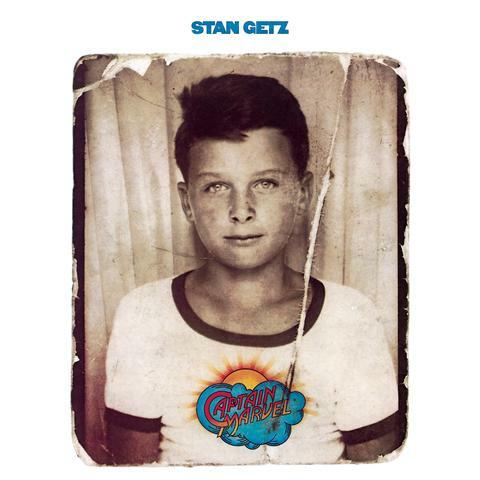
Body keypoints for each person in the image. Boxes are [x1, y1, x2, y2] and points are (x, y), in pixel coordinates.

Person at [104, 74, 400, 465]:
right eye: (216, 186)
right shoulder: (145, 314)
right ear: (187, 202)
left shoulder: (350, 316)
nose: (241, 210)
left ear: (302, 194)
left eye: (265, 183)